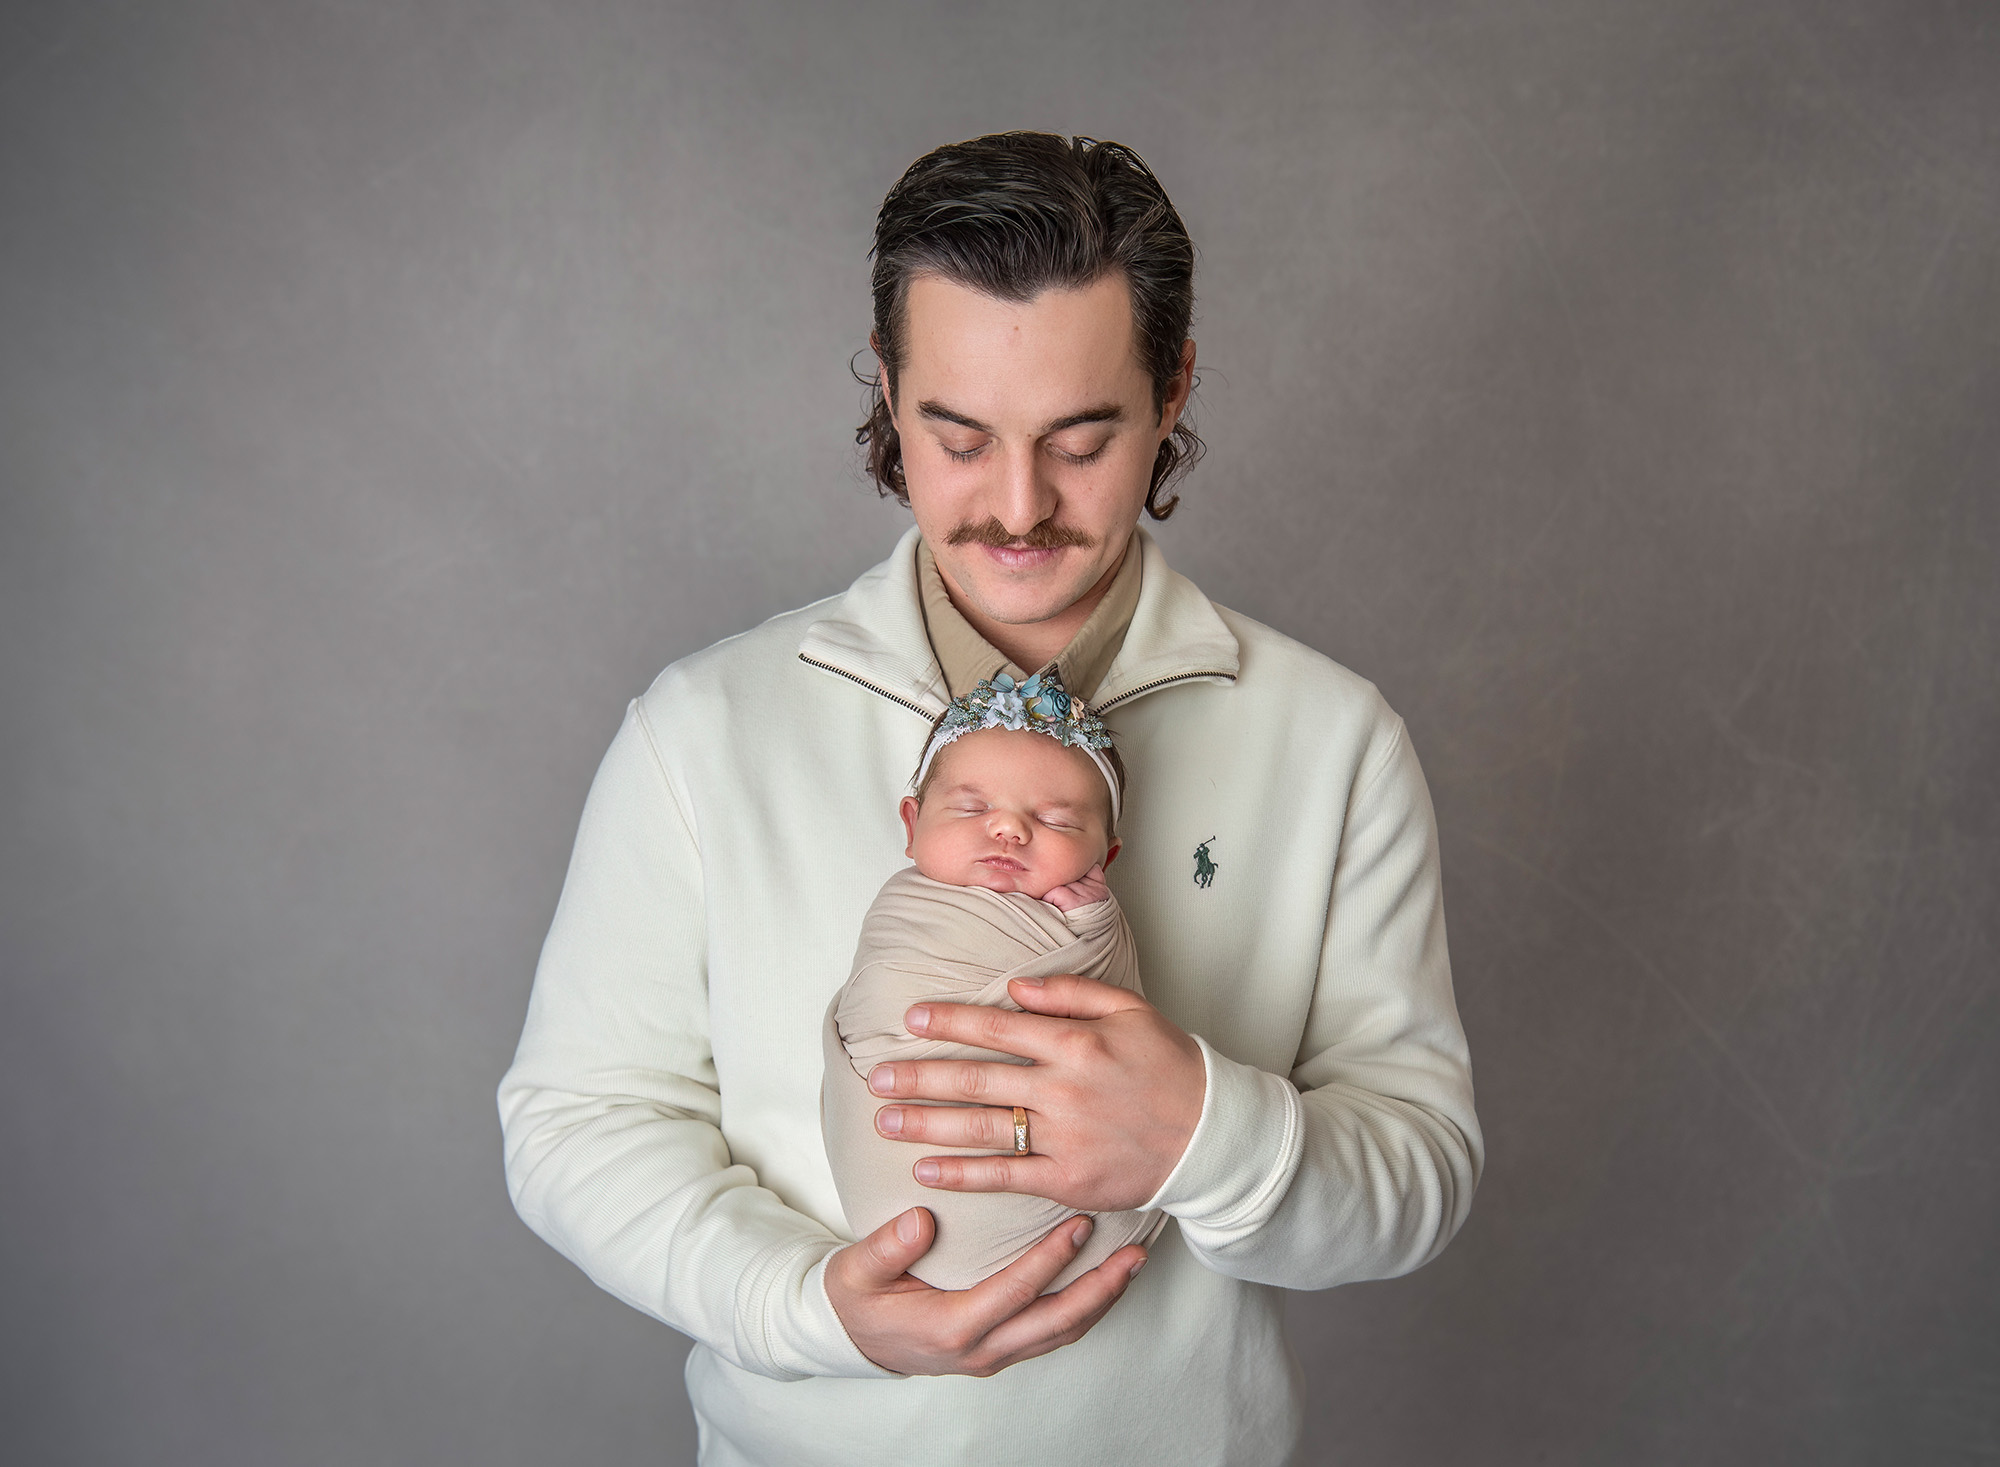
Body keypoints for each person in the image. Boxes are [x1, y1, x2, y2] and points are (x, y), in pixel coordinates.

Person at [499, 131, 1482, 1467]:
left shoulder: (1334, 738)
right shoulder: (702, 729)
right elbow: (576, 1121)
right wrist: (808, 1304)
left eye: (1082, 440)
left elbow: (1418, 1174)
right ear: (888, 386)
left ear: (1174, 385)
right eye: (957, 437)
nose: (1019, 509)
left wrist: (1207, 1130)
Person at [821, 671, 1165, 1293]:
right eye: (972, 808)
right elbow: (883, 1011)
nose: (1008, 829)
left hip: (1085, 1215)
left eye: (1057, 822)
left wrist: (1094, 926)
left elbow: (1125, 1028)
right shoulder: (902, 912)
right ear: (911, 824)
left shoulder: (1095, 927)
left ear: (1105, 858)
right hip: (899, 1192)